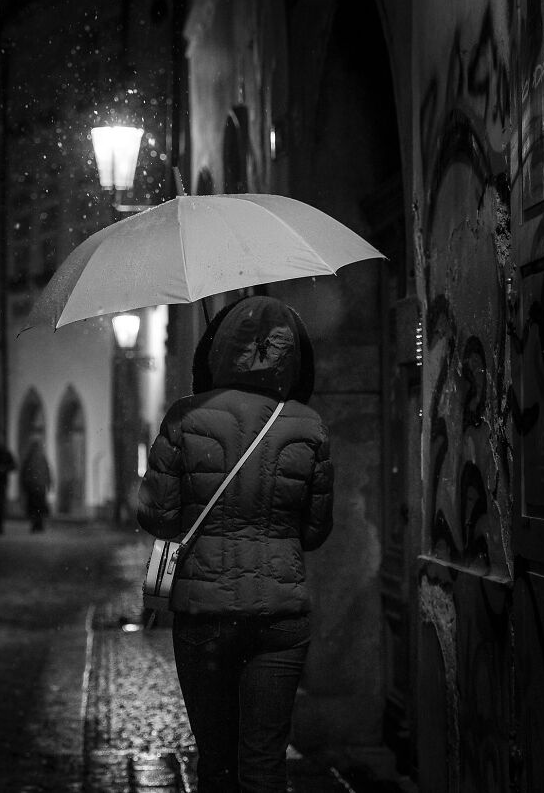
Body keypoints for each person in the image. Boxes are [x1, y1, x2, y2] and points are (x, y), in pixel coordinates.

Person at [137, 295, 334, 793]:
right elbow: (314, 531)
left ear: (219, 349)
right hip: (280, 616)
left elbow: (157, 517)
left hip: (206, 616)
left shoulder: (186, 416)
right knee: (266, 764)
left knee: (218, 763)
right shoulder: (308, 426)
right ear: (291, 354)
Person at [20, 441, 51, 533]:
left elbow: (24, 473)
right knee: (39, 506)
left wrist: (24, 485)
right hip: (39, 487)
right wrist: (49, 483)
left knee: (34, 507)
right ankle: (39, 525)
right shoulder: (42, 458)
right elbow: (47, 471)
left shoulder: (28, 458)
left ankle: (35, 525)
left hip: (32, 487)